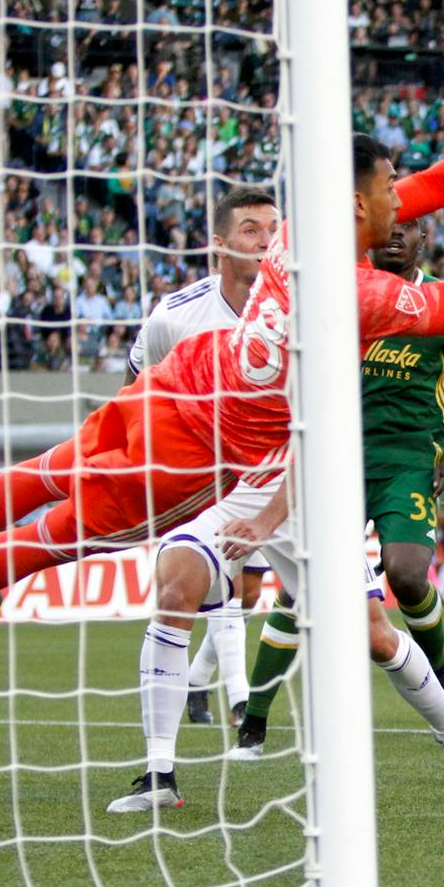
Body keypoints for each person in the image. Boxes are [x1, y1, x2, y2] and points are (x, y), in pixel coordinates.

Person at [132, 105, 444, 808]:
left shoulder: (306, 244)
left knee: (371, 628)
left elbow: (436, 186)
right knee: (176, 583)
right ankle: (162, 770)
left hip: (307, 468)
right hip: (243, 465)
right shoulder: (354, 291)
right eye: (390, 185)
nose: (403, 199)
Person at [123, 184, 282, 727]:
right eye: (251, 230)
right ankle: (239, 699)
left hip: (275, 477)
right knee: (213, 582)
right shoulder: (174, 315)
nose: (266, 242)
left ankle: (196, 681)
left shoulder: (295, 309)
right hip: (203, 475)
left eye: (273, 229)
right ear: (219, 243)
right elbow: (135, 390)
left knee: (252, 589)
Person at [364, 218, 444, 678]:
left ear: (423, 238)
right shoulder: (344, 290)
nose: (396, 233)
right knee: (298, 588)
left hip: (411, 457)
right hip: (340, 455)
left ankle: (438, 675)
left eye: (409, 226)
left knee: (408, 575)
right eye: (389, 224)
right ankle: (251, 715)